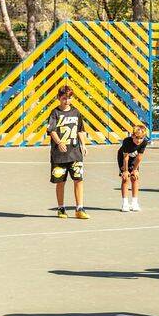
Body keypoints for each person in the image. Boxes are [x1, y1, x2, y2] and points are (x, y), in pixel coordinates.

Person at [46, 85, 88, 219]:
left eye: (69, 98)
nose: (67, 101)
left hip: (75, 152)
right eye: (64, 98)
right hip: (59, 155)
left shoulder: (76, 112)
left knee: (78, 180)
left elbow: (80, 130)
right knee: (60, 182)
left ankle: (79, 208)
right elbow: (52, 131)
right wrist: (59, 142)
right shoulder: (55, 113)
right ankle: (61, 208)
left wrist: (83, 144)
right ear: (59, 98)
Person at [117, 125, 149, 212]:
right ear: (132, 136)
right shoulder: (127, 141)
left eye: (141, 138)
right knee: (125, 179)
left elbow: (139, 157)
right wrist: (125, 171)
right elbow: (126, 157)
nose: (139, 140)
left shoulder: (144, 142)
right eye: (137, 138)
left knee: (135, 178)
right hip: (123, 158)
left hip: (134, 158)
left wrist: (135, 169)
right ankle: (125, 203)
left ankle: (134, 203)